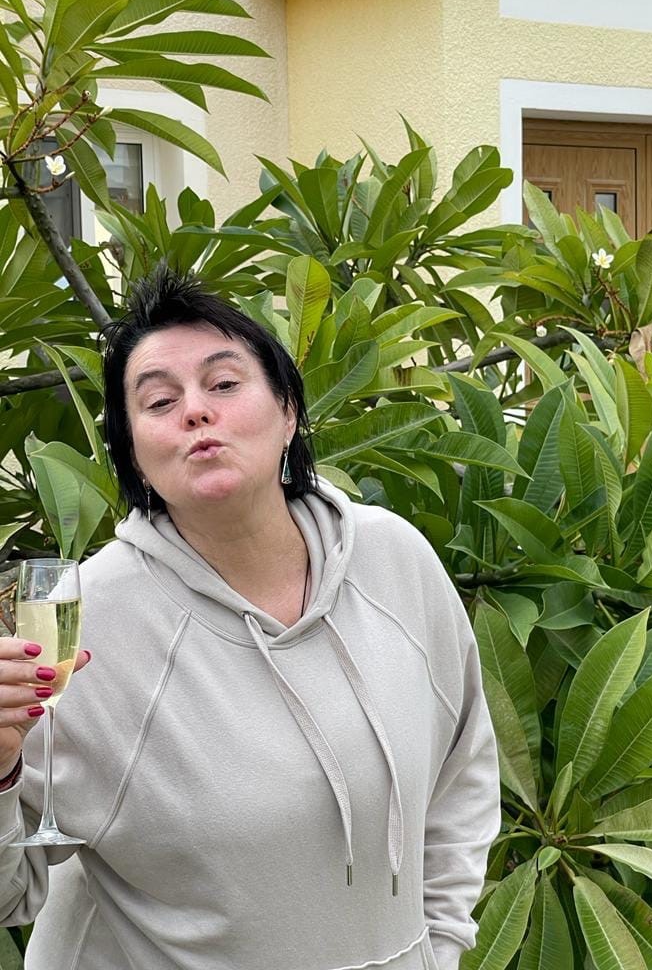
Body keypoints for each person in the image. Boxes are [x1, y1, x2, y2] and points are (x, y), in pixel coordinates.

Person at [0, 266, 500, 970]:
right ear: (133, 454)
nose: (195, 412)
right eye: (159, 401)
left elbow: (462, 769)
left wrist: (437, 947)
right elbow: (11, 897)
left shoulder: (393, 559)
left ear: (288, 411)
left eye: (225, 384)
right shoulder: (85, 620)